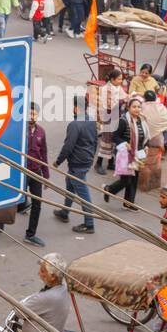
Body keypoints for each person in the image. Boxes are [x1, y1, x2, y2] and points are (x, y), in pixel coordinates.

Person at [53, 96, 97, 234]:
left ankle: (89, 224)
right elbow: (95, 142)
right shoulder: (91, 121)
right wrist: (91, 158)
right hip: (86, 159)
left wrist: (58, 161)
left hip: (77, 163)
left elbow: (68, 146)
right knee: (70, 185)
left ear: (76, 108)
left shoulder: (75, 124)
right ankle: (65, 212)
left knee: (83, 194)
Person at [103, 97, 148, 209]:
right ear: (128, 108)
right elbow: (115, 136)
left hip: (139, 153)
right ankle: (109, 189)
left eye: (139, 107)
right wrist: (124, 143)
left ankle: (129, 203)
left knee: (134, 179)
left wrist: (146, 146)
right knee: (126, 180)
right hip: (126, 154)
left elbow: (146, 135)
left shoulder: (142, 119)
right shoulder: (123, 121)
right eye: (134, 107)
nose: (137, 109)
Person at [22, 103, 48, 247]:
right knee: (15, 200)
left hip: (36, 172)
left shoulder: (41, 132)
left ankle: (30, 234)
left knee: (37, 204)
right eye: (29, 113)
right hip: (22, 172)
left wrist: (46, 175)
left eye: (34, 114)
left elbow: (44, 153)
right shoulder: (20, 130)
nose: (32, 116)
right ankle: (1, 220)